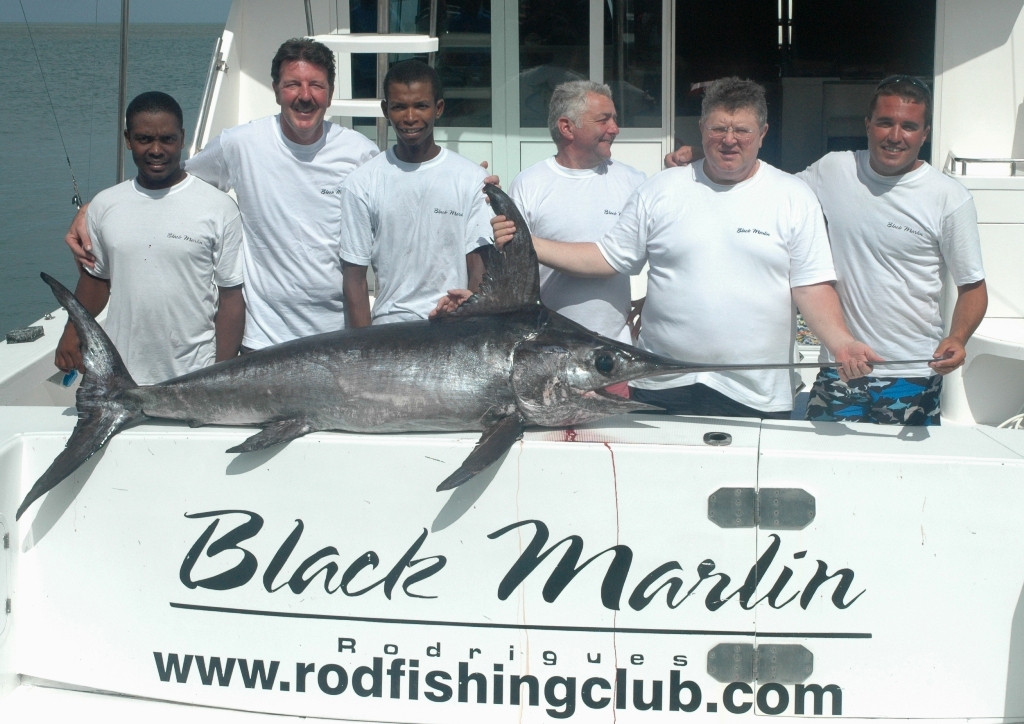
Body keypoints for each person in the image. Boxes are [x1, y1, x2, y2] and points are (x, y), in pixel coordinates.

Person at [488, 77, 878, 419]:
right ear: (701, 128)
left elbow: (810, 286)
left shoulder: (793, 196)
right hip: (661, 384)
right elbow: (607, 257)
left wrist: (841, 342)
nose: (729, 140)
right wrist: (529, 244)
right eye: (718, 128)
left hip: (755, 393)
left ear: (763, 133)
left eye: (742, 130)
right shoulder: (661, 188)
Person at [667, 75, 987, 425]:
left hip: (912, 371)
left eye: (909, 126)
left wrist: (957, 337)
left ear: (924, 134)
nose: (895, 136)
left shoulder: (949, 199)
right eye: (885, 122)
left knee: (902, 477)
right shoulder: (834, 168)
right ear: (867, 125)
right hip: (839, 367)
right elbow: (767, 185)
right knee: (826, 472)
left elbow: (973, 286)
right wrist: (709, 157)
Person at [65, 38, 380, 351]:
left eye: (317, 85)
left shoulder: (360, 153)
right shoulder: (240, 144)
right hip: (263, 338)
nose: (305, 96)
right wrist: (92, 210)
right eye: (292, 84)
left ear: (331, 93)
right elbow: (175, 179)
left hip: (337, 337)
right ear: (275, 90)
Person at [54, 92, 244, 385]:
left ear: (182, 138)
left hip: (194, 375)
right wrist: (72, 331)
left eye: (167, 139)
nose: (156, 150)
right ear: (128, 139)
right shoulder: (105, 205)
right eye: (144, 139)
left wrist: (220, 375)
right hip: (120, 375)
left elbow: (231, 299)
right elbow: (97, 280)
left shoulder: (219, 208)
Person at [338, 60, 493, 326]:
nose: (410, 117)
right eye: (399, 106)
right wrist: (364, 350)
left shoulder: (472, 179)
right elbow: (354, 281)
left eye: (421, 105)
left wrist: (470, 319)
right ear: (386, 110)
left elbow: (478, 267)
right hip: (390, 331)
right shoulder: (361, 182)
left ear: (438, 108)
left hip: (454, 328)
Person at [508, 80, 646, 345]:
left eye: (614, 119)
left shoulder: (634, 181)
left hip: (612, 353)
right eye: (603, 120)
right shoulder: (529, 184)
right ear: (567, 127)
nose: (615, 129)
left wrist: (650, 303)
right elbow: (514, 271)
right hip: (547, 349)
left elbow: (669, 251)